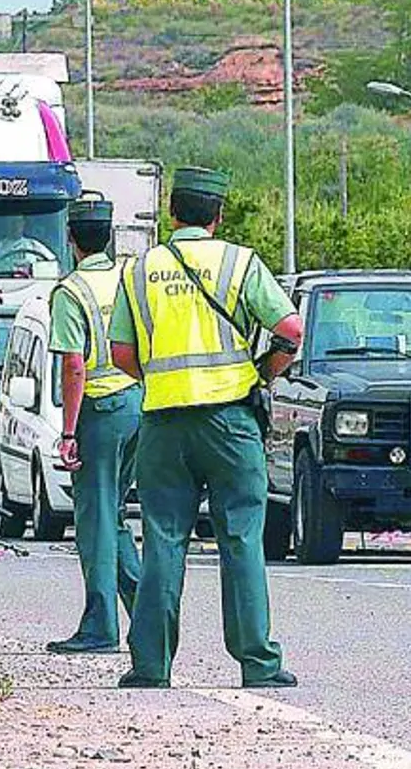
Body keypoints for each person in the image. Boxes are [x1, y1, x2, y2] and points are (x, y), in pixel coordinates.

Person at [108, 166, 304, 690]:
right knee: (241, 537)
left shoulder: (139, 269)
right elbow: (291, 329)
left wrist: (161, 377)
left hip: (164, 423)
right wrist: (261, 371)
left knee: (163, 539)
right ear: (218, 216)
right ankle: (257, 663)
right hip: (231, 422)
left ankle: (150, 665)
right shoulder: (240, 263)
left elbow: (120, 353)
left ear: (172, 214)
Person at [44, 195, 141, 654]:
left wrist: (68, 431)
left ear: (71, 241)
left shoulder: (71, 291)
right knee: (115, 516)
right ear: (109, 237)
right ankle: (146, 616)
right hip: (138, 402)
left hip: (100, 411)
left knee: (94, 520)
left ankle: (100, 625)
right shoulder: (128, 279)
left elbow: (74, 366)